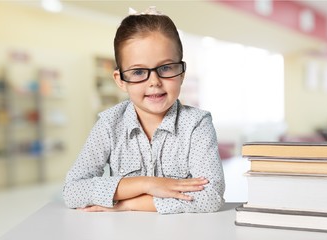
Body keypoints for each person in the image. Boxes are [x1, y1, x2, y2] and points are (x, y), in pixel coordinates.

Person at [63, 6, 225, 214]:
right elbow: (72, 191)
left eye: (166, 68)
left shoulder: (197, 124)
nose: (154, 82)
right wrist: (147, 184)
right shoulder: (109, 124)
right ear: (120, 80)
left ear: (182, 72)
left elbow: (211, 197)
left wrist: (128, 204)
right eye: (139, 71)